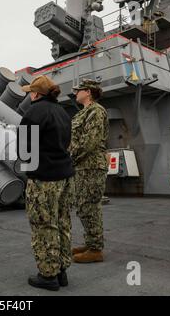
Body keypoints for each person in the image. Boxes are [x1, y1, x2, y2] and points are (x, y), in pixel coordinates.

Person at [19, 75, 75, 291]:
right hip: (64, 176)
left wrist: (30, 170)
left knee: (43, 225)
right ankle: (62, 272)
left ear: (35, 94)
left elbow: (24, 149)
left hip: (44, 179)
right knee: (62, 222)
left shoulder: (34, 112)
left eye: (29, 92)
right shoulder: (63, 112)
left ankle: (48, 275)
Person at [69, 79, 109, 263]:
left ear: (89, 92)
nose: (76, 93)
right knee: (84, 206)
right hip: (83, 166)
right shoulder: (85, 112)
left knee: (89, 206)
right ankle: (91, 243)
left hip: (91, 166)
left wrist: (70, 157)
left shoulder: (96, 111)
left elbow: (89, 142)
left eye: (79, 90)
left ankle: (95, 249)